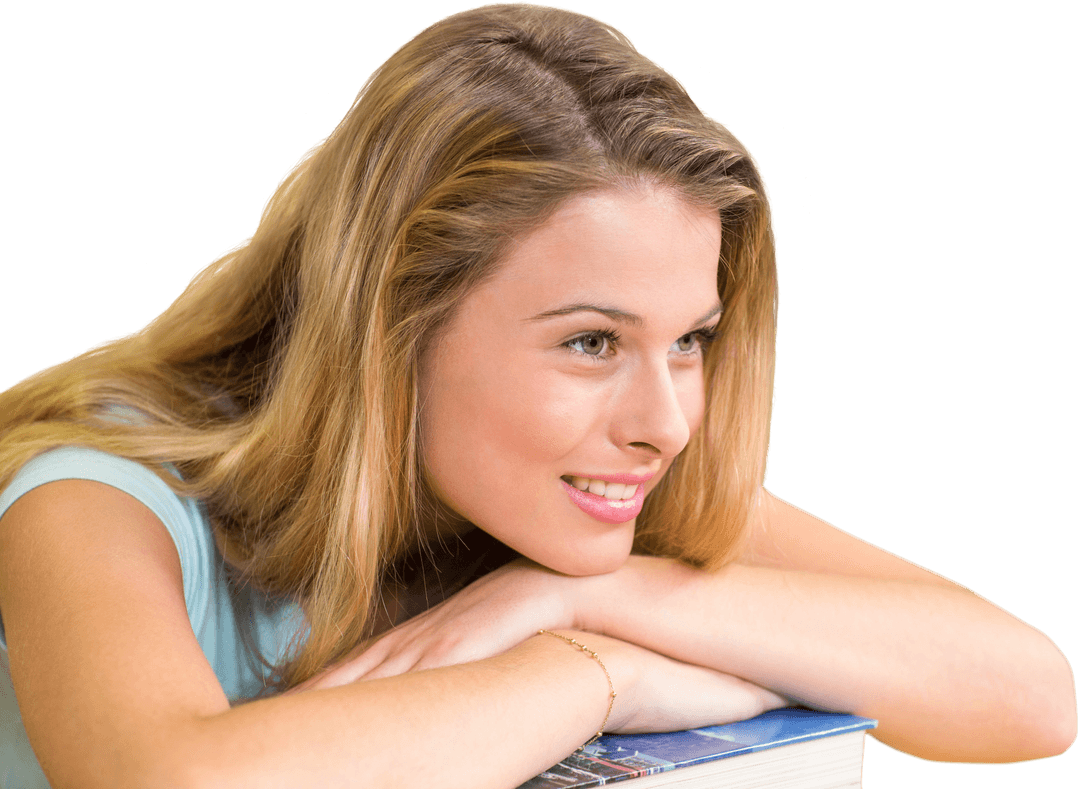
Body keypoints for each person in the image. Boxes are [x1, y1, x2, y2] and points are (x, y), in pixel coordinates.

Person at [0, 2, 1074, 787]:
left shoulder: (594, 488)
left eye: (690, 341)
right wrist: (596, 674)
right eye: (592, 342)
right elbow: (175, 780)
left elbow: (1030, 696)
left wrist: (587, 599)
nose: (664, 426)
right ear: (391, 328)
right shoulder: (93, 495)